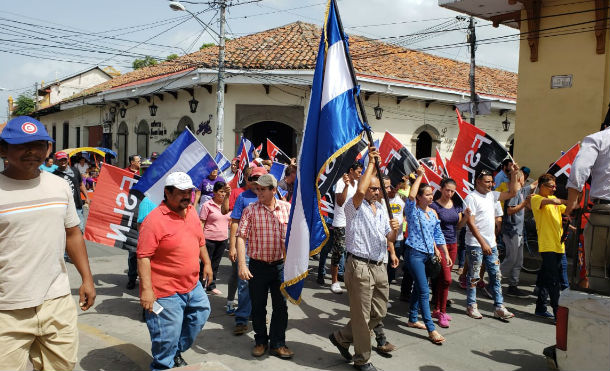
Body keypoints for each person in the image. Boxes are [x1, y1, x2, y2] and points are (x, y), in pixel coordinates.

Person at [0, 116, 95, 370]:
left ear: (48, 149)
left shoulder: (59, 186)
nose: (32, 152)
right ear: (3, 149)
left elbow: (73, 234)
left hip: (56, 301)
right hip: (7, 309)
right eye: (22, 145)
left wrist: (86, 278)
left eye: (39, 144)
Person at [329, 148, 399, 371]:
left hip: (380, 264)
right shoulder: (353, 206)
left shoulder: (381, 209)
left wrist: (395, 232)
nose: (377, 193)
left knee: (379, 312)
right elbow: (359, 190)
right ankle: (362, 359)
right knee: (361, 317)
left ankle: (342, 336)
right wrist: (370, 164)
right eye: (373, 189)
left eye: (379, 189)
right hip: (359, 265)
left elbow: (389, 237)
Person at [137, 172, 213, 370]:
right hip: (165, 292)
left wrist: (207, 263)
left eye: (190, 191)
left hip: (192, 285)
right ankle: (164, 362)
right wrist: (146, 291)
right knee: (165, 337)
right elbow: (143, 256)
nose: (187, 196)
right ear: (167, 192)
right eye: (181, 192)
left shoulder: (191, 212)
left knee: (201, 314)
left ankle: (174, 351)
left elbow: (200, 240)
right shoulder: (153, 221)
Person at [237, 174, 293, 359]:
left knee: (281, 307)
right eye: (257, 189)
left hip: (280, 267)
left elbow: (295, 237)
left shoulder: (287, 209)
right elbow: (241, 237)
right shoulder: (250, 210)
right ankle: (261, 342)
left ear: (273, 190)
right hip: (257, 267)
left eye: (263, 189)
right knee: (258, 307)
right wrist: (242, 266)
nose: (258, 192)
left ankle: (277, 344)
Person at [463, 165, 521, 320]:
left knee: (496, 275)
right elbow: (471, 223)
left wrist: (515, 174)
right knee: (474, 276)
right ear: (478, 182)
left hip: (491, 244)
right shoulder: (471, 198)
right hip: (475, 244)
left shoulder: (492, 195)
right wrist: (483, 243)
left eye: (491, 181)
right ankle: (471, 305)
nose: (491, 184)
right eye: (487, 182)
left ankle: (499, 306)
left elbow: (513, 192)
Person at [402, 166, 449, 344]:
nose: (431, 196)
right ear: (420, 197)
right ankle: (431, 328)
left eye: (431, 194)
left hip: (429, 256)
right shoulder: (413, 211)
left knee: (419, 287)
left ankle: (413, 319)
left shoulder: (433, 213)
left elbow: (437, 235)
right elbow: (411, 196)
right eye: (427, 194)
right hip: (414, 255)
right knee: (423, 290)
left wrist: (443, 251)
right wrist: (420, 176)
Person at [566, 123, 610, 287]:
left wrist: (571, 203)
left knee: (598, 267)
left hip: (604, 213)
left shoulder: (598, 139)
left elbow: (579, 169)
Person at [226, 166, 268, 333]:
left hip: (265, 246)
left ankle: (257, 314)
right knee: (244, 283)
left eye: (259, 178)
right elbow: (234, 222)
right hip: (246, 246)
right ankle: (242, 319)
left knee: (263, 284)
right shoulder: (243, 197)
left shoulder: (271, 196)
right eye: (252, 178)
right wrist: (233, 247)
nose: (255, 182)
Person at [429, 178, 469, 328]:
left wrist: (466, 216)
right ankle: (442, 311)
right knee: (447, 279)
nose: (450, 193)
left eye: (452, 191)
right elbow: (433, 229)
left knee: (442, 280)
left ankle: (438, 309)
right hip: (440, 245)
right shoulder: (434, 206)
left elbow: (458, 226)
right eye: (447, 190)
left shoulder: (456, 205)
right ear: (440, 189)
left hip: (453, 244)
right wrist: (436, 248)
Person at [531, 174, 568, 319]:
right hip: (547, 246)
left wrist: (579, 192)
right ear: (542, 186)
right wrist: (566, 200)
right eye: (551, 186)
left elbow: (570, 208)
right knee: (554, 280)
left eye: (555, 186)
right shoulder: (536, 199)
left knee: (545, 277)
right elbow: (555, 201)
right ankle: (558, 313)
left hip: (560, 245)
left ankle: (540, 307)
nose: (554, 188)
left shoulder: (554, 201)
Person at [330, 162, 363, 294]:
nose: (360, 174)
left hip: (353, 223)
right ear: (351, 170)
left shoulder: (357, 184)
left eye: (361, 172)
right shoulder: (341, 182)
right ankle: (334, 281)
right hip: (341, 222)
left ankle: (350, 280)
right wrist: (346, 186)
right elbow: (340, 201)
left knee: (352, 252)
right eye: (358, 172)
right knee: (339, 252)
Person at [500, 170, 531, 297]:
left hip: (519, 231)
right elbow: (510, 211)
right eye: (524, 177)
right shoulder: (514, 194)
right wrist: (524, 204)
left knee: (518, 261)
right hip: (511, 231)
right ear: (519, 179)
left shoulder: (523, 191)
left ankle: (513, 286)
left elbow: (535, 184)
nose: (526, 179)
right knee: (511, 259)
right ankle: (493, 280)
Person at [199, 181, 231, 295]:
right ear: (214, 192)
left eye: (224, 192)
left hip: (222, 239)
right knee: (204, 264)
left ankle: (211, 286)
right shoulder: (207, 205)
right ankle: (200, 285)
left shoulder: (228, 206)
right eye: (220, 192)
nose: (222, 194)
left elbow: (231, 222)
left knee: (215, 264)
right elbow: (201, 222)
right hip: (208, 239)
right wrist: (200, 238)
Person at [53, 151, 90, 232]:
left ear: (67, 159)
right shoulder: (55, 175)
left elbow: (81, 185)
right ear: (56, 161)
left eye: (64, 160)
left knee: (80, 229)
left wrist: (87, 197)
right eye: (60, 160)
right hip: (63, 208)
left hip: (77, 206)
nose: (63, 162)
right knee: (66, 231)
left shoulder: (75, 170)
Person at [124, 154, 141, 289]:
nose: (140, 163)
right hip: (131, 213)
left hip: (144, 214)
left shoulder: (144, 175)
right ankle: (131, 277)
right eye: (138, 161)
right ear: (131, 162)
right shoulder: (124, 173)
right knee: (133, 250)